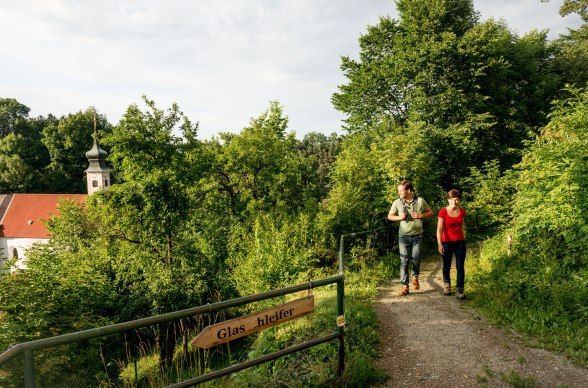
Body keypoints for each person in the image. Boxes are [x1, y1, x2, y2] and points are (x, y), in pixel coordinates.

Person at [388, 180, 433, 296]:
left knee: (415, 258)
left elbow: (430, 212)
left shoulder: (420, 201)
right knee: (404, 261)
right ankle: (404, 286)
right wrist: (399, 217)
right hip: (403, 237)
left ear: (408, 191)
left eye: (401, 191)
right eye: (398, 191)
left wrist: (420, 215)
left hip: (417, 235)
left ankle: (415, 277)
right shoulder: (397, 202)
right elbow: (390, 216)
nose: (399, 193)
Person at [436, 189, 466, 299]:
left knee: (460, 265)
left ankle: (460, 289)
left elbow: (461, 226)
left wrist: (463, 237)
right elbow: (439, 229)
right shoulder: (443, 212)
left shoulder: (462, 211)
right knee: (446, 265)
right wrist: (439, 244)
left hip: (460, 242)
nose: (454, 201)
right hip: (446, 242)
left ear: (459, 200)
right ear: (449, 200)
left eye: (457, 199)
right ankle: (447, 285)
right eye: (452, 199)